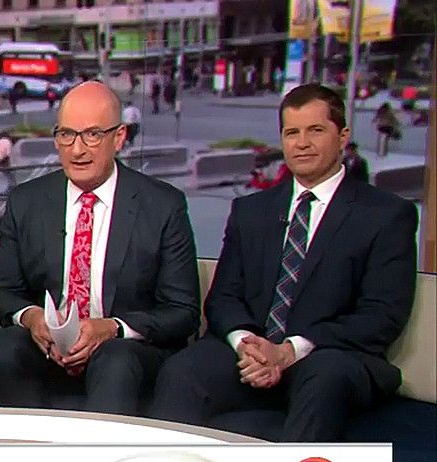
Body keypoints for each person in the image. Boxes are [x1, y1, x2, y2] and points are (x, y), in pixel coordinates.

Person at [149, 84, 418, 441]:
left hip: (331, 355)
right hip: (251, 354)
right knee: (182, 371)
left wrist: (290, 350)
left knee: (325, 377)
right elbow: (223, 298)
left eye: (315, 130)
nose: (302, 143)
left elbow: (381, 315)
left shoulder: (385, 215)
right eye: (292, 133)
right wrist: (248, 345)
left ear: (342, 136)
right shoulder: (250, 211)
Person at [0, 82, 201, 416]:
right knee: (4, 348)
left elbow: (182, 311)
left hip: (125, 351)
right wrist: (33, 318)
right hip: (48, 348)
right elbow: (1, 291)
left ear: (119, 137)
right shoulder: (27, 201)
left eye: (92, 135)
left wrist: (112, 327)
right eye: (66, 135)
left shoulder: (163, 205)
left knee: (116, 359)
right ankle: (34, 445)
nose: (77, 150)